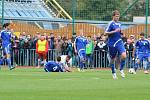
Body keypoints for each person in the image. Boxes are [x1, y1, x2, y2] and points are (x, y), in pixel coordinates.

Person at [105, 10, 126, 79]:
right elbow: (105, 33)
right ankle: (113, 72)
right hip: (112, 43)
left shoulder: (120, 24)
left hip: (119, 41)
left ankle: (121, 69)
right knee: (112, 59)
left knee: (124, 55)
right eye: (116, 16)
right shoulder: (110, 23)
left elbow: (119, 32)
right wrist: (114, 31)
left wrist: (121, 34)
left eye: (118, 16)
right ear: (113, 16)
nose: (117, 18)